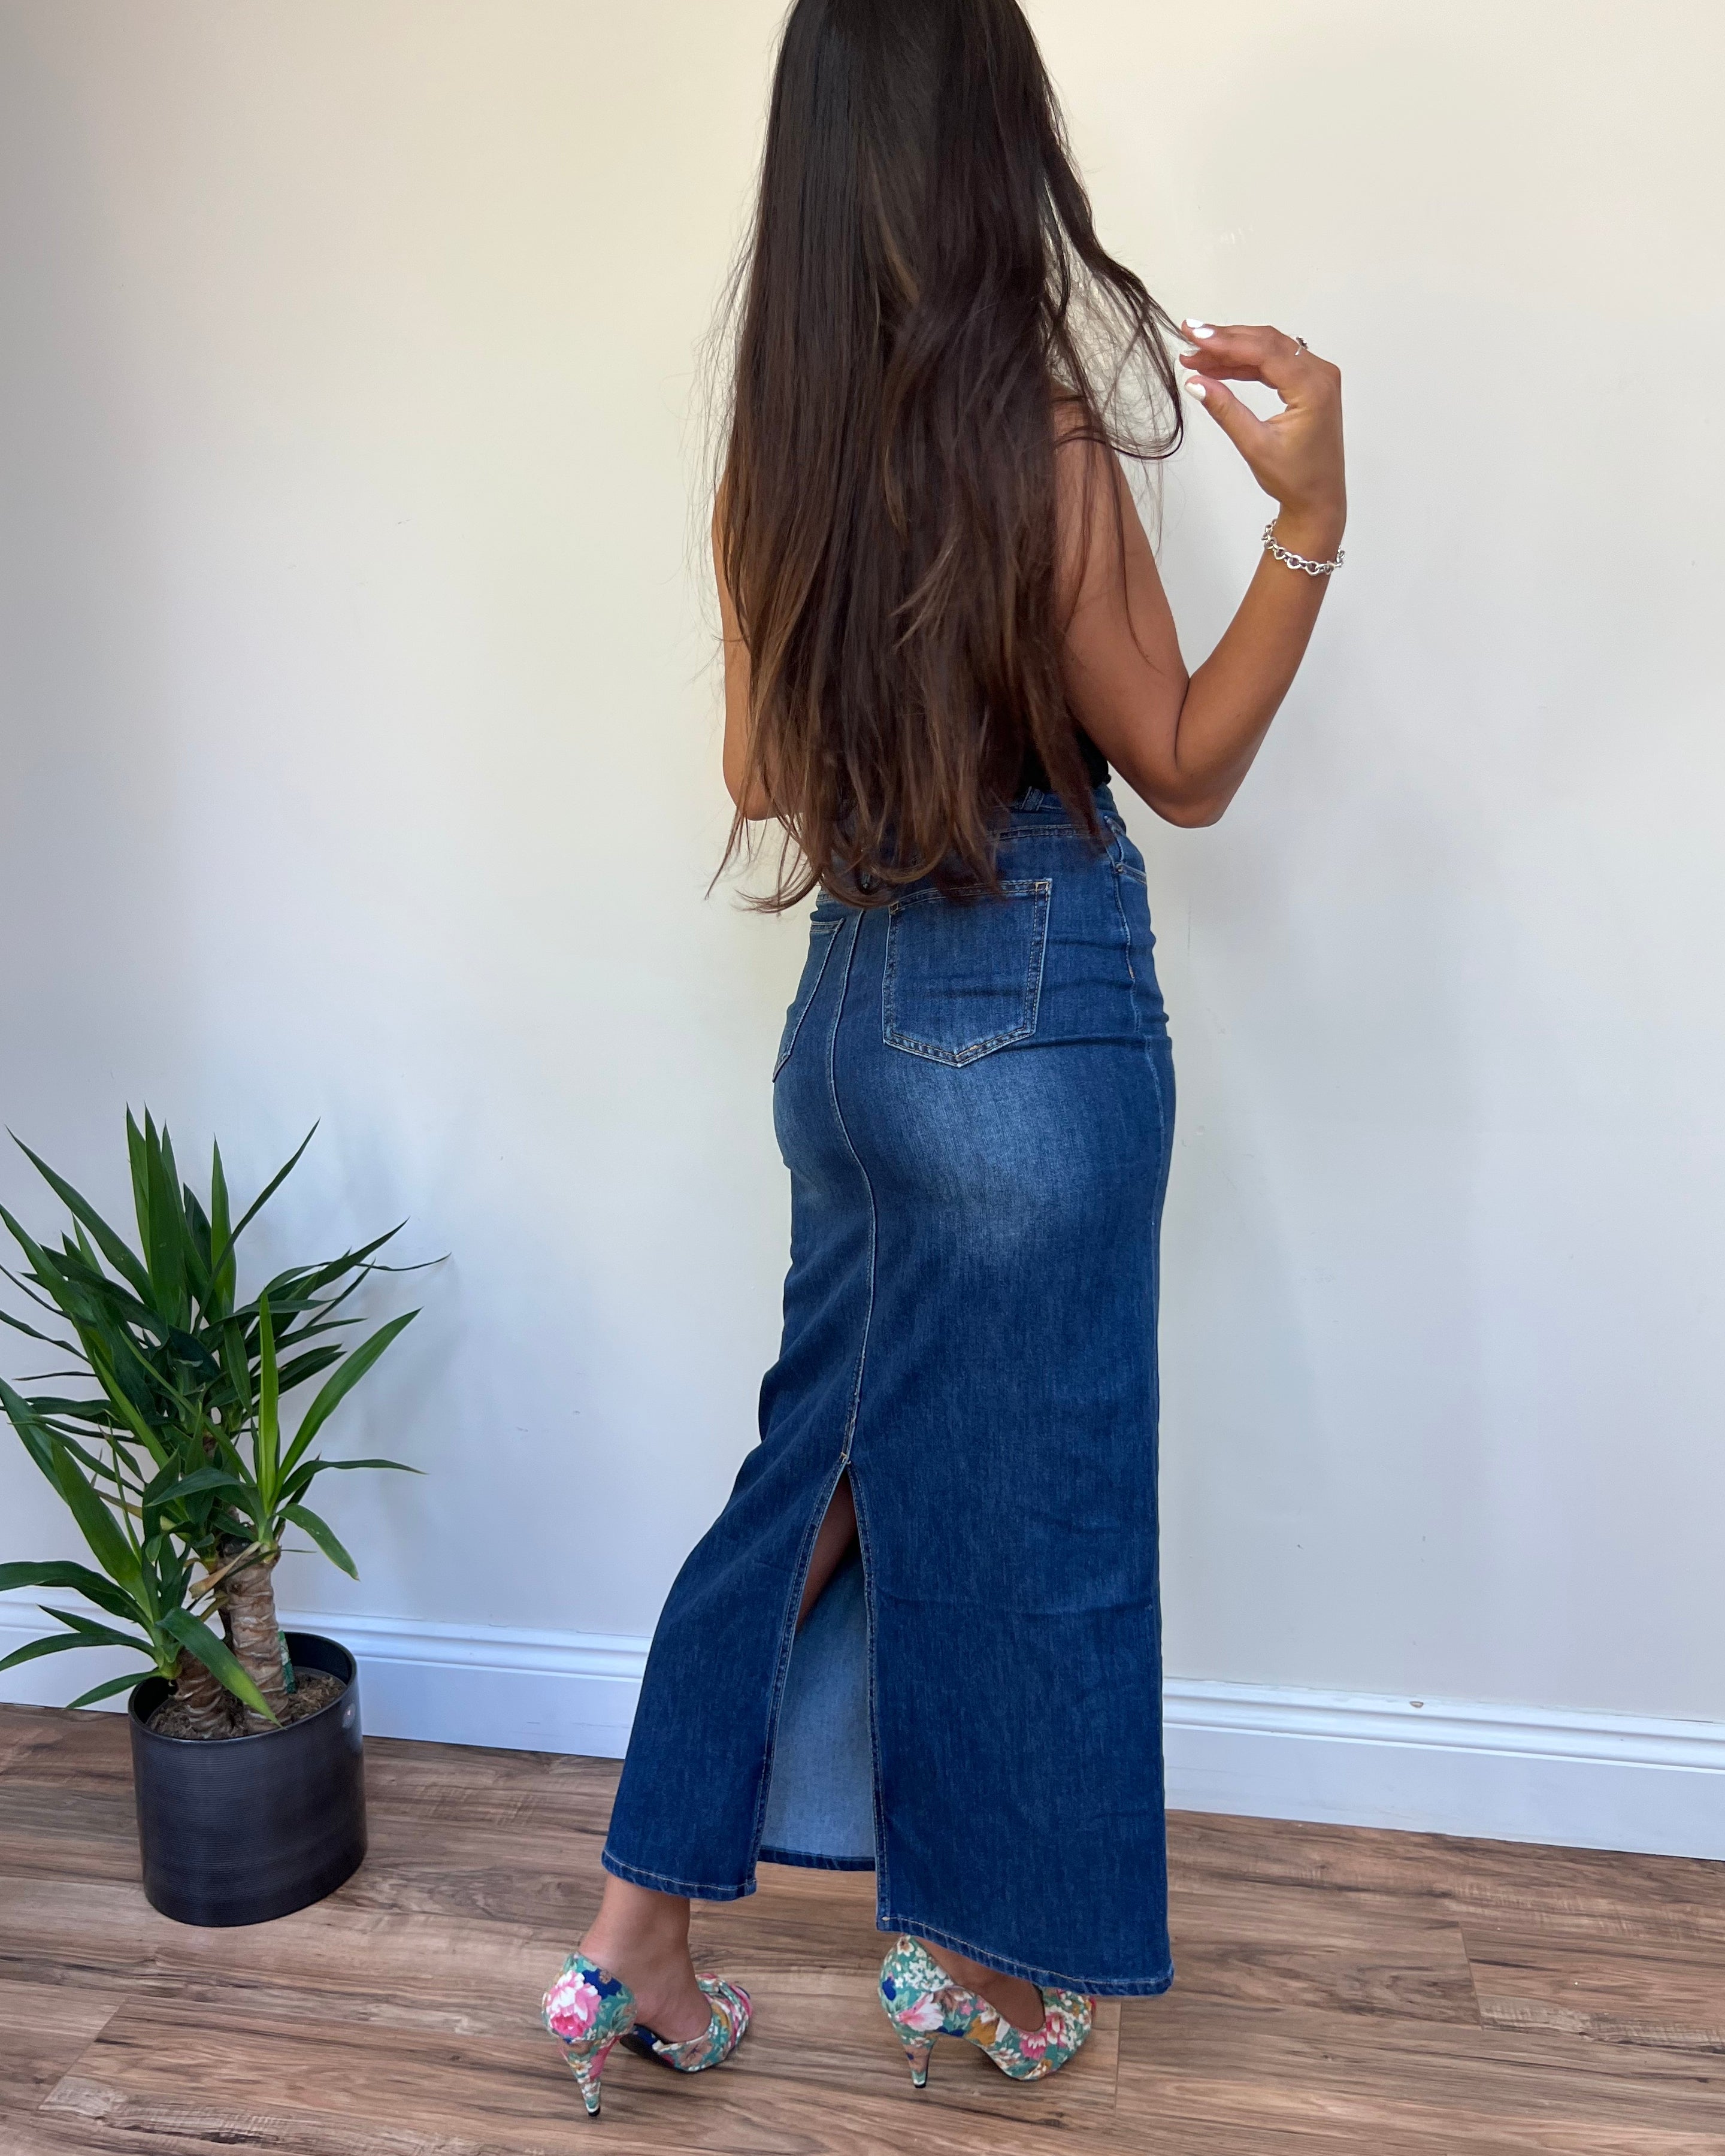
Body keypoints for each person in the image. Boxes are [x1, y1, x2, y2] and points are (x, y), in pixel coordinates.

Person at [541, 0, 1345, 2115]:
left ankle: (639, 1936)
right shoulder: (1045, 435)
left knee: (821, 1475)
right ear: (998, 137)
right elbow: (1178, 764)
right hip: (1037, 1001)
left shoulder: (779, 440)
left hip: (852, 1022)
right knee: (1032, 1508)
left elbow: (758, 769)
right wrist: (1313, 523)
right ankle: (975, 1970)